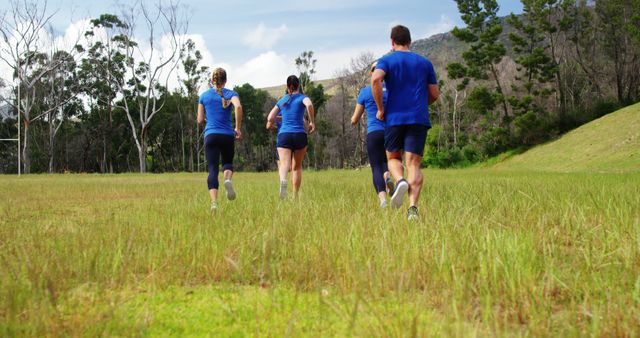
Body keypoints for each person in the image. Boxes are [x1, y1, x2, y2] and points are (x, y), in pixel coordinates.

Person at [372, 25, 440, 220]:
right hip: (418, 118)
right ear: (410, 41)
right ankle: (412, 209)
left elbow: (376, 79)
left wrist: (380, 109)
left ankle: (400, 180)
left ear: (392, 42)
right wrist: (420, 104)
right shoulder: (425, 62)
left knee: (393, 158)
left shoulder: (387, 59)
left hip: (394, 118)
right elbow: (434, 94)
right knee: (414, 164)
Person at [197, 67, 243, 213]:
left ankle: (214, 203)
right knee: (228, 163)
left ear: (212, 80)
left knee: (212, 170)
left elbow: (199, 120)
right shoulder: (231, 94)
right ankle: (227, 180)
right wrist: (237, 128)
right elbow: (238, 107)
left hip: (211, 135)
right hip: (227, 135)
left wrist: (207, 119)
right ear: (226, 80)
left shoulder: (204, 96)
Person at [351, 62, 395, 208]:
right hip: (391, 132)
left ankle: (383, 200)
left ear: (372, 73)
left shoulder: (365, 92)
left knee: (376, 166)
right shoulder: (392, 91)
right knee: (387, 163)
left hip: (374, 133)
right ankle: (388, 176)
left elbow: (354, 119)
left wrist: (353, 121)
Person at [266, 75, 316, 199]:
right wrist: (312, 122)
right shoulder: (303, 98)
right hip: (299, 134)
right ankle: (295, 196)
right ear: (298, 85)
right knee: (296, 167)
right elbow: (309, 105)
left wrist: (275, 123)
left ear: (288, 87)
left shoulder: (282, 100)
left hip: (284, 135)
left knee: (284, 164)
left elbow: (270, 118)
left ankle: (283, 181)